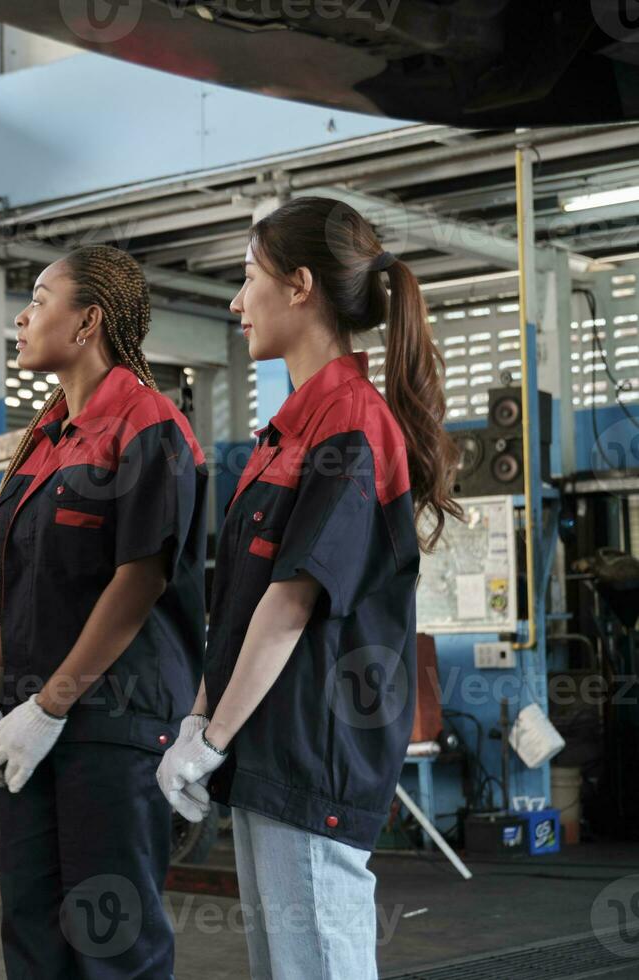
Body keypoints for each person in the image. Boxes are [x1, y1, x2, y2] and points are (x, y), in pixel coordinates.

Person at [156, 197, 460, 979]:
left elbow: (291, 603)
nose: (234, 301)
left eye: (247, 278)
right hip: (269, 755)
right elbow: (241, 606)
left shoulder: (351, 427)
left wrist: (211, 737)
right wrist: (199, 724)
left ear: (298, 286)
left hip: (311, 759)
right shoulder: (291, 430)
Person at [0, 245, 207, 978]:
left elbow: (142, 576)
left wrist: (53, 705)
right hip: (29, 726)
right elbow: (7, 583)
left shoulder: (150, 426)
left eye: (39, 298)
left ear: (89, 319)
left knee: (111, 938)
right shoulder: (43, 441)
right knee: (33, 933)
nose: (23, 317)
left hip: (112, 724)